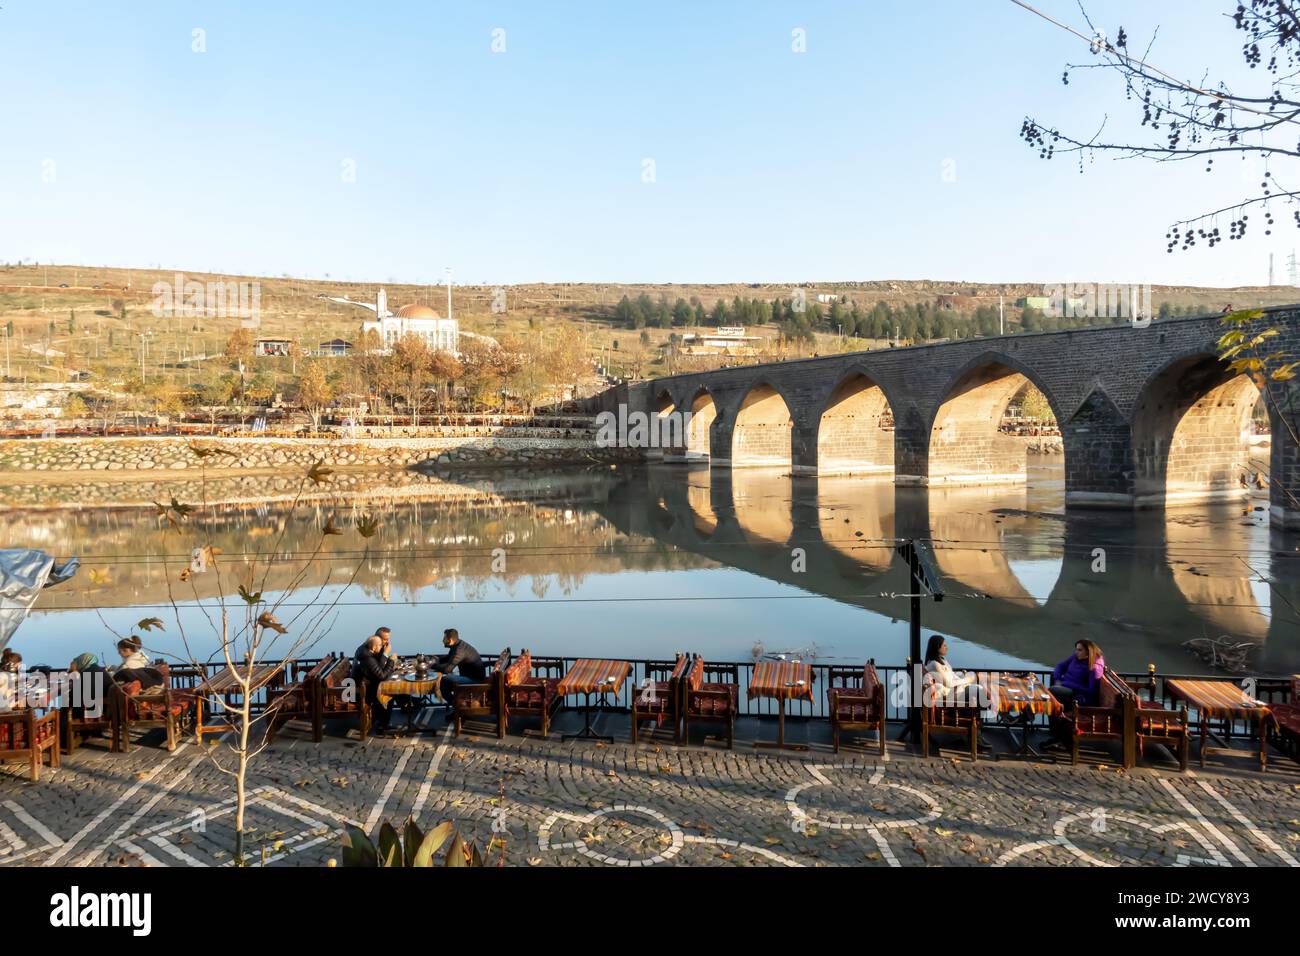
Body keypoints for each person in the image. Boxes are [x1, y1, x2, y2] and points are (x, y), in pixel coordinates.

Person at [1044, 640, 1105, 749]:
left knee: (1053, 693)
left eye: (1080, 650)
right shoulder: (1076, 657)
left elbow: (1091, 691)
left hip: (1081, 698)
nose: (1076, 652)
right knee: (1053, 692)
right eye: (1076, 649)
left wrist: (1066, 683)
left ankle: (1057, 736)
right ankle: (1056, 735)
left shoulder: (1094, 668)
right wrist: (1058, 679)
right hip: (1067, 690)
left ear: (1088, 652)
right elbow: (1060, 666)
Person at [353, 633, 398, 734]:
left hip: (365, 686)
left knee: (391, 689)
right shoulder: (368, 659)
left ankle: (407, 703)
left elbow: (379, 670)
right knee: (389, 694)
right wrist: (389, 659)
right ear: (374, 647)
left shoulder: (367, 652)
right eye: (381, 645)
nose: (383, 646)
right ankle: (383, 726)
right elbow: (382, 675)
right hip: (362, 692)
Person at [432, 628, 485, 705]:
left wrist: (433, 665)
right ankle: (457, 704)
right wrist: (437, 659)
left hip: (474, 680)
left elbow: (447, 669)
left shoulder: (459, 651)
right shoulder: (457, 645)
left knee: (444, 679)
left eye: (444, 638)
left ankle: (457, 706)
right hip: (469, 676)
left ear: (450, 640)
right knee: (445, 684)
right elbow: (448, 658)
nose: (442, 641)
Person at [922, 635, 975, 701]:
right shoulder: (934, 664)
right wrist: (966, 680)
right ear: (937, 647)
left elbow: (951, 675)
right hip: (951, 694)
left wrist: (964, 678)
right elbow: (948, 683)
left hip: (955, 689)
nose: (947, 648)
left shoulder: (942, 659)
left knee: (973, 676)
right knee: (978, 690)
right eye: (944, 646)